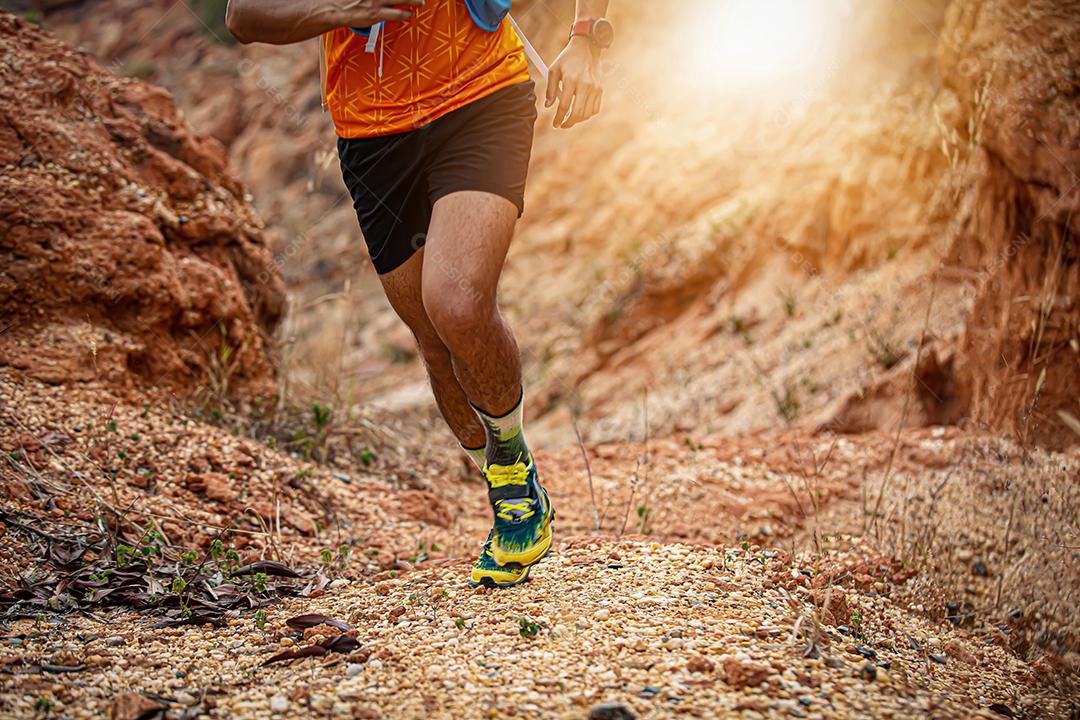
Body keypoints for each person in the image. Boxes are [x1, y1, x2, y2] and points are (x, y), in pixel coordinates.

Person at [225, 0, 613, 586]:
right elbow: (243, 15)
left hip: (481, 96)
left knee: (457, 305)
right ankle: (504, 478)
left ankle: (511, 469)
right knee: (434, 343)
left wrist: (586, 36)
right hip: (372, 135)